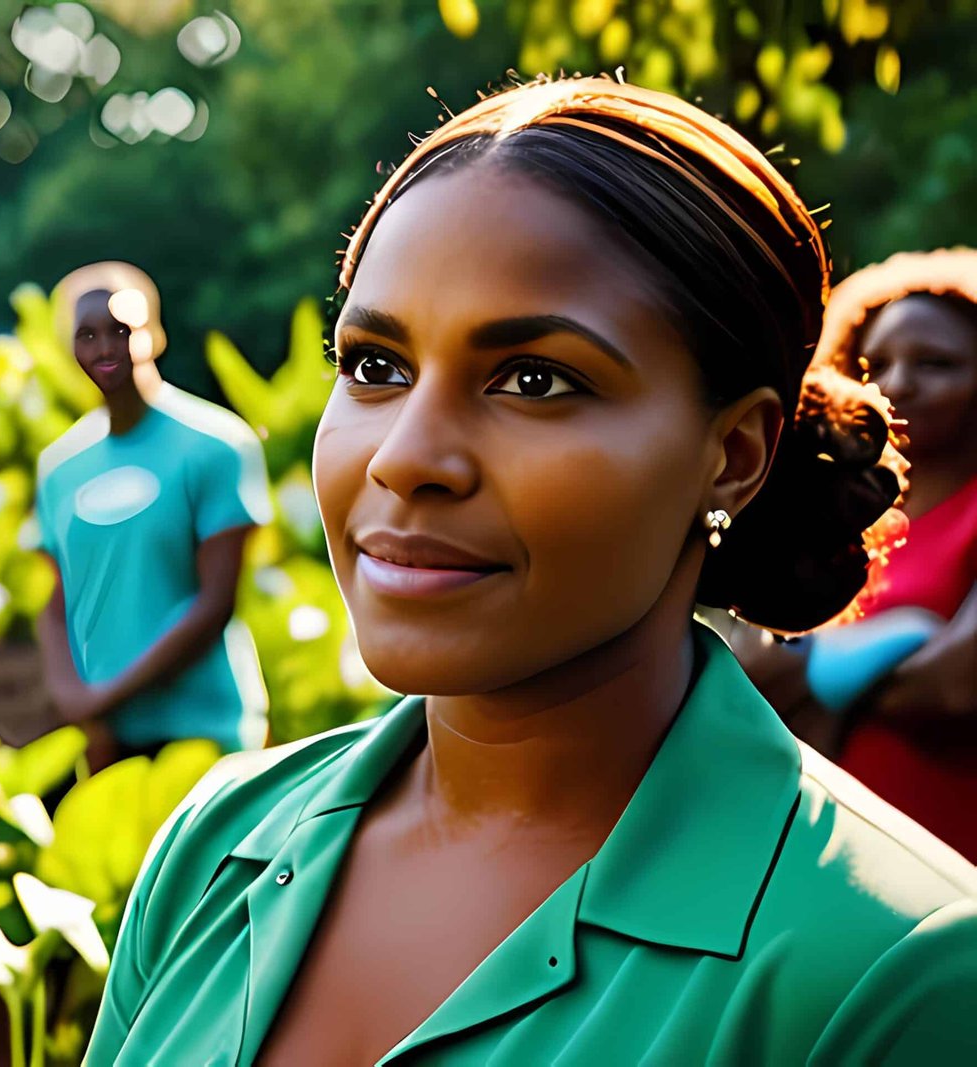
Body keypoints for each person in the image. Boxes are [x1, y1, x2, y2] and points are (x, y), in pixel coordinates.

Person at [83, 78, 977, 1066]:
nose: (404, 457)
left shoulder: (895, 971)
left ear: (731, 453)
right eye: (375, 364)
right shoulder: (216, 845)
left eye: (535, 379)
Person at [736, 249, 977, 858]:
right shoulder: (831, 507)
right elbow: (744, 672)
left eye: (938, 364)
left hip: (948, 839)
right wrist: (902, 643)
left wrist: (819, 676)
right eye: (876, 362)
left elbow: (958, 685)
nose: (897, 383)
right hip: (815, 842)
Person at [35, 262, 272, 764]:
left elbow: (214, 605)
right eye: (87, 334)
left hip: (205, 733)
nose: (105, 348)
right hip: (106, 743)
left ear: (154, 333)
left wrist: (107, 696)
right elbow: (57, 604)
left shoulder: (216, 445)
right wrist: (70, 697)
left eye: (121, 329)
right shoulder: (58, 469)